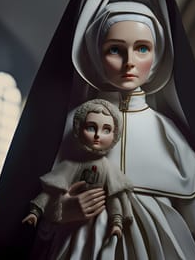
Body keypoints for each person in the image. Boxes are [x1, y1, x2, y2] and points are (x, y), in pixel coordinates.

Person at [0, 0, 195, 260]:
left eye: (142, 48)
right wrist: (61, 211)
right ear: (94, 55)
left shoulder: (169, 134)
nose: (129, 62)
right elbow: (32, 226)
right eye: (115, 49)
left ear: (158, 54)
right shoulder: (70, 126)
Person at [21, 99, 133, 259]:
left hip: (99, 228)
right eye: (91, 127)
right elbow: (50, 192)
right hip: (70, 230)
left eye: (106, 130)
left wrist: (116, 222)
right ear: (79, 129)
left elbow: (114, 198)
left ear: (115, 135)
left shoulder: (109, 169)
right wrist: (35, 211)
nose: (97, 135)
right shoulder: (71, 166)